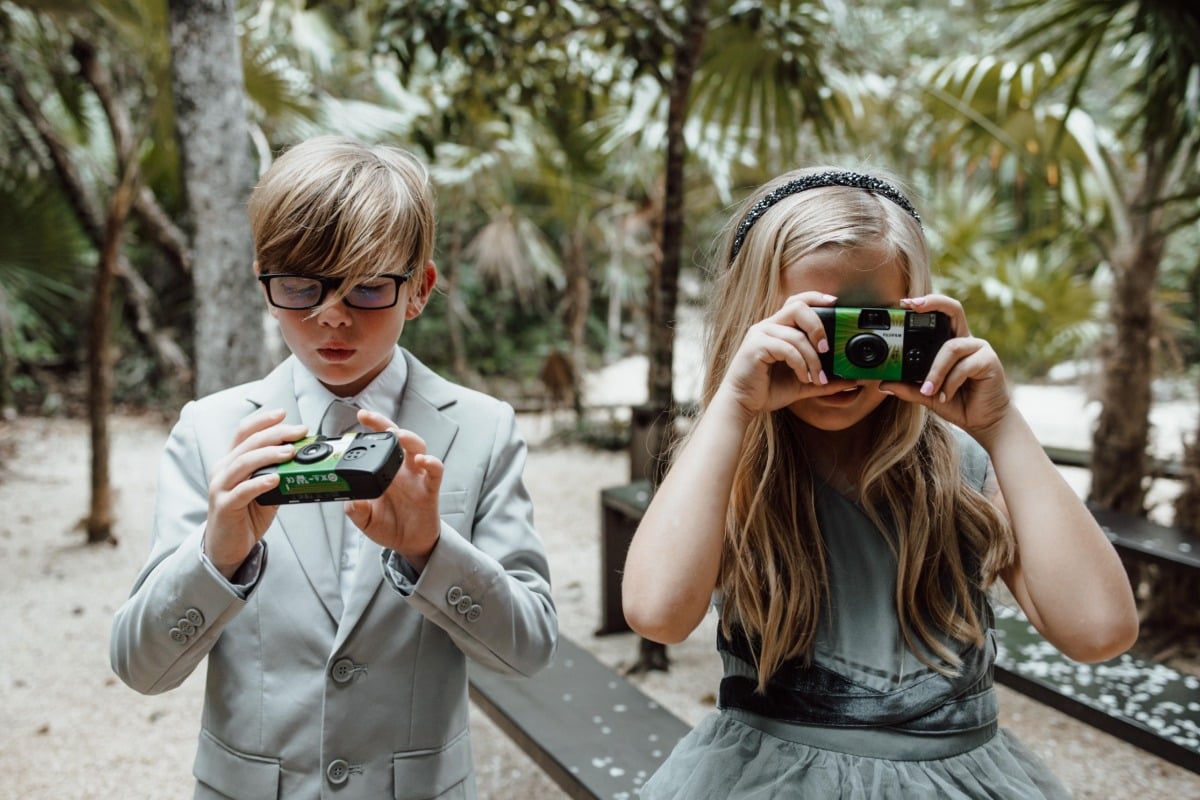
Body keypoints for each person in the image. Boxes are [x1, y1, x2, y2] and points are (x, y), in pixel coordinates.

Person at [622, 168, 1138, 798]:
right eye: (816, 326)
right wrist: (733, 403)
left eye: (872, 325)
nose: (847, 358)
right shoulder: (730, 464)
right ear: (754, 322)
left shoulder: (964, 467)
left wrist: (1002, 428)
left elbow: (1100, 630)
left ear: (917, 318)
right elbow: (656, 614)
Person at [110, 135, 557, 799]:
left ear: (420, 289)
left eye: (368, 288)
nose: (331, 317)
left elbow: (530, 651)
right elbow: (142, 668)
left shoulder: (483, 430)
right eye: (299, 286)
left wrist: (431, 552)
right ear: (265, 282)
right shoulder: (210, 431)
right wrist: (217, 555)